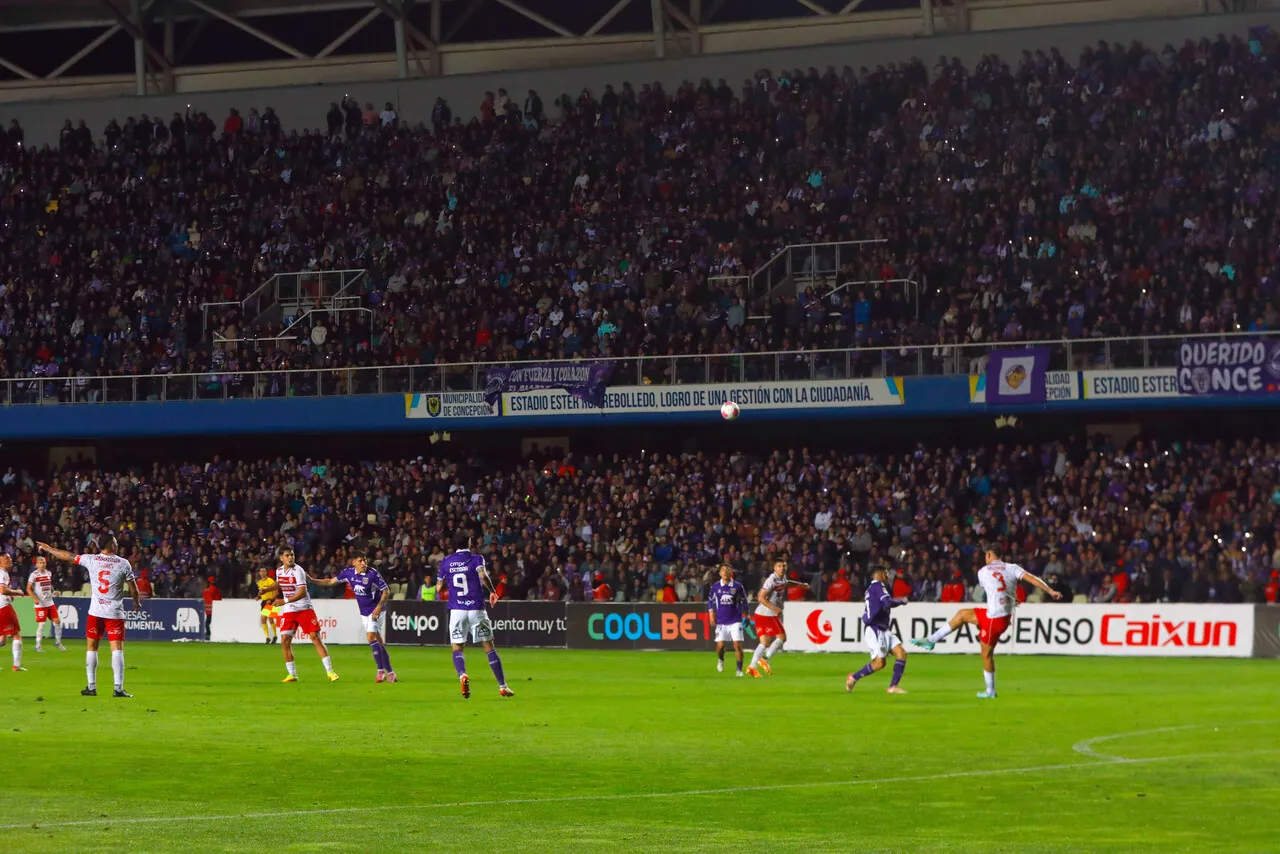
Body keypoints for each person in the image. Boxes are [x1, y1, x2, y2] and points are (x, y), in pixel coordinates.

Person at [911, 546, 1061, 698]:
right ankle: (931, 640)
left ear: (989, 554)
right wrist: (1050, 591)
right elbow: (1032, 579)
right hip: (1001, 615)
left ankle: (990, 691)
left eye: (985, 555)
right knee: (962, 614)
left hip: (994, 618)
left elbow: (993, 589)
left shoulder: (982, 572)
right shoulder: (1012, 567)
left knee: (986, 654)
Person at [38, 536, 140, 697]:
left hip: (95, 612)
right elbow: (133, 589)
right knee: (117, 650)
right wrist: (136, 603)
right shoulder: (123, 563)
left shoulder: (91, 560)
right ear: (113, 545)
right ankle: (118, 688)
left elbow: (68, 556)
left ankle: (91, 687)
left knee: (92, 648)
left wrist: (49, 548)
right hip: (114, 613)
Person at [436, 531, 513, 699]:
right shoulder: (477, 559)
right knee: (488, 647)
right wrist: (493, 592)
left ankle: (462, 675)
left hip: (457, 610)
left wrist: (450, 583)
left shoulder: (446, 562)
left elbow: (438, 588)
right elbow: (483, 576)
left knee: (457, 647)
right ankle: (502, 686)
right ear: (470, 542)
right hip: (476, 608)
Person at [313, 555, 395, 683]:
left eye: (365, 560)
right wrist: (312, 580)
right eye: (360, 561)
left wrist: (379, 607)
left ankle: (380, 672)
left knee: (370, 637)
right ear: (354, 563)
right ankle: (391, 673)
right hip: (364, 612)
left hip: (376, 610)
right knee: (378, 641)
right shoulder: (348, 573)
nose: (364, 563)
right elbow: (330, 582)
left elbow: (386, 591)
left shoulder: (373, 574)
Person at [275, 546, 338, 683]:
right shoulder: (279, 571)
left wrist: (284, 601)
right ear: (281, 558)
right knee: (285, 640)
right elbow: (279, 583)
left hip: (304, 608)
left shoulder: (298, 571)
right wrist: (267, 589)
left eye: (292, 555)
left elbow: (302, 592)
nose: (291, 557)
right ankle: (292, 674)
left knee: (315, 637)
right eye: (287, 555)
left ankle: (330, 672)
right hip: (290, 611)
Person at [845, 566, 909, 694]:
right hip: (875, 629)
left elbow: (885, 603)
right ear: (879, 574)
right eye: (885, 573)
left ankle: (892, 687)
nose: (887, 576)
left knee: (901, 653)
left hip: (883, 629)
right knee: (879, 663)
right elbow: (887, 602)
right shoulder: (878, 586)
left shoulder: (872, 589)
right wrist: (901, 601)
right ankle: (853, 677)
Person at [747, 560, 810, 677]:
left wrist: (800, 584)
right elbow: (760, 597)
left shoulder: (782, 578)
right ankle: (766, 658)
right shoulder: (771, 580)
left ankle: (752, 666)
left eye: (784, 566)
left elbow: (787, 583)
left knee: (764, 642)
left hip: (762, 613)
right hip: (767, 613)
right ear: (774, 568)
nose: (782, 568)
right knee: (782, 637)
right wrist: (775, 609)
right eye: (779, 566)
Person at [706, 564, 749, 676]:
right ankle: (721, 659)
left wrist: (747, 615)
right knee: (720, 646)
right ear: (720, 573)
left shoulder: (737, 586)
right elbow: (710, 600)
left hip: (735, 619)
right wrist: (711, 614)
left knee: (737, 645)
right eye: (723, 570)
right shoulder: (715, 587)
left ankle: (739, 670)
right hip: (721, 620)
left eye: (727, 570)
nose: (725, 572)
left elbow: (744, 601)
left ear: (731, 572)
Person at [27, 555, 65, 652]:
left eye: (44, 562)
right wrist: (34, 598)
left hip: (49, 602)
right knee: (42, 624)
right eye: (40, 562)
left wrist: (54, 591)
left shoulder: (49, 573)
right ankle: (38, 645)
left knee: (57, 621)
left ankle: (58, 642)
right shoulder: (34, 575)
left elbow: (49, 584)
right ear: (36, 564)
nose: (42, 564)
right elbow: (28, 588)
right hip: (40, 604)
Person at [0, 555, 27, 671]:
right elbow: (3, 590)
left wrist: (9, 595)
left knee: (3, 640)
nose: (10, 560)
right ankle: (16, 666)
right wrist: (16, 592)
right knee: (16, 634)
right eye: (7, 559)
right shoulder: (3, 573)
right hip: (3, 608)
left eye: (10, 559)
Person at [255, 567, 280, 643]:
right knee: (263, 619)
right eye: (261, 571)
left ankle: (275, 636)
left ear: (266, 572)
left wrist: (271, 599)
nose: (262, 573)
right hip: (264, 602)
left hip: (272, 601)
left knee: (270, 619)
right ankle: (267, 637)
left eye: (264, 571)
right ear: (259, 573)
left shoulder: (270, 581)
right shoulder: (259, 582)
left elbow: (276, 592)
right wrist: (258, 596)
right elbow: (261, 592)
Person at [202, 576, 222, 640]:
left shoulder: (205, 589)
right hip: (214, 609)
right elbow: (218, 599)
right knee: (210, 623)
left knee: (207, 623)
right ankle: (209, 634)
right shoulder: (215, 589)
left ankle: (208, 634)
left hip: (208, 609)